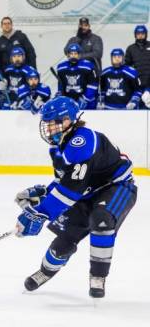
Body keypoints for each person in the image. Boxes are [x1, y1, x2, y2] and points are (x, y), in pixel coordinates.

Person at [14, 96, 136, 298]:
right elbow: (68, 181)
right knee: (64, 241)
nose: (48, 128)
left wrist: (41, 212)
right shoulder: (59, 147)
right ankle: (45, 272)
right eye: (47, 124)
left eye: (53, 123)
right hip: (87, 193)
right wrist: (44, 194)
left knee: (101, 220)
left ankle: (98, 276)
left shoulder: (82, 141)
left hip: (116, 188)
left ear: (68, 120)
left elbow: (71, 189)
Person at [56, 43, 98, 110]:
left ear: (79, 54)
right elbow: (61, 84)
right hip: (69, 102)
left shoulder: (88, 66)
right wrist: (60, 93)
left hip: (87, 103)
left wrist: (85, 98)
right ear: (68, 55)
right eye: (71, 54)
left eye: (75, 54)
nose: (73, 56)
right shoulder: (61, 67)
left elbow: (93, 84)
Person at [124, 25, 150, 109]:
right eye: (138, 33)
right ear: (135, 35)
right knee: (137, 107)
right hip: (137, 83)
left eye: (143, 33)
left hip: (149, 82)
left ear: (146, 34)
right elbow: (126, 66)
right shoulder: (131, 48)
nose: (140, 35)